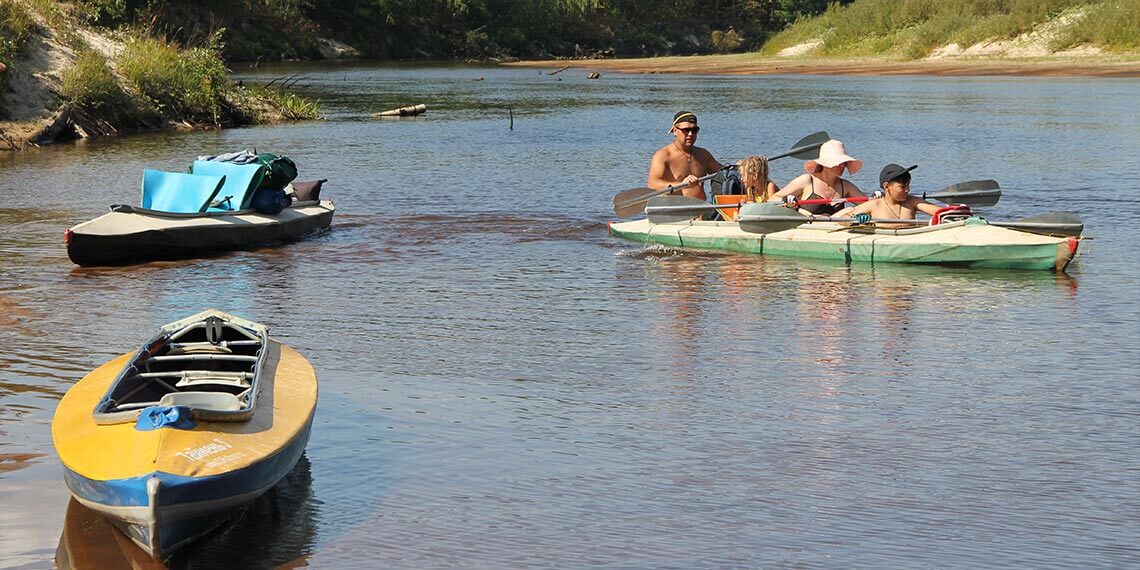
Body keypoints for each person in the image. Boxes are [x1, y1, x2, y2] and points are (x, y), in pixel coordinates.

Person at [770, 139, 865, 215]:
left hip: (833, 232)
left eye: (844, 163)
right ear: (825, 163)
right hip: (807, 230)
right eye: (838, 162)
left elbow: (868, 203)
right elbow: (773, 199)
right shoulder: (807, 180)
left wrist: (877, 196)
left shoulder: (845, 185)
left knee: (850, 210)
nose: (842, 166)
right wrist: (786, 200)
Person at [647, 111, 722, 201]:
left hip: (700, 210)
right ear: (675, 130)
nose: (690, 134)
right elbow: (652, 184)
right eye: (686, 130)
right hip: (674, 210)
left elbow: (723, 173)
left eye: (694, 130)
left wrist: (740, 168)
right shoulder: (663, 156)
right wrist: (681, 184)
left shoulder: (703, 155)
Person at [841, 163, 942, 226]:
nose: (908, 190)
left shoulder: (912, 201)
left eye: (908, 185)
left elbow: (940, 212)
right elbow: (843, 219)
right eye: (902, 187)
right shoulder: (874, 205)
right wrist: (853, 219)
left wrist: (955, 211)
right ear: (886, 186)